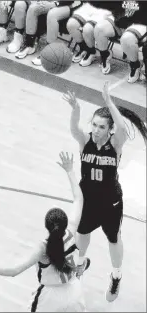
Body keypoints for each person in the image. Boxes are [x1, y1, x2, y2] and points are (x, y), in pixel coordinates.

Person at [0, 152, 90, 312]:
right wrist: (70, 171)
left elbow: (14, 270)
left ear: (47, 226)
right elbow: (79, 199)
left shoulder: (43, 248)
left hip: (49, 299)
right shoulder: (71, 228)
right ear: (65, 222)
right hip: (74, 292)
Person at [63, 81, 147, 302]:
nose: (97, 130)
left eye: (102, 127)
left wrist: (109, 102)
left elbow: (122, 128)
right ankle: (80, 265)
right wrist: (76, 110)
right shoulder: (85, 141)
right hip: (88, 201)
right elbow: (74, 129)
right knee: (81, 237)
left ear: (109, 130)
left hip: (110, 203)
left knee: (114, 239)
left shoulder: (116, 144)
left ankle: (116, 275)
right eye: (95, 125)